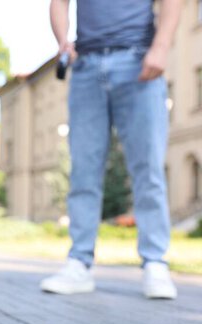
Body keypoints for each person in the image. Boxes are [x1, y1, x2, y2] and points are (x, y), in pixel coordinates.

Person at [40, 0, 183, 298]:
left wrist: (162, 46)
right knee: (83, 171)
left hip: (138, 61)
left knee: (148, 168)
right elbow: (59, 2)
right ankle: (79, 263)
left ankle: (155, 263)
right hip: (86, 66)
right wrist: (63, 41)